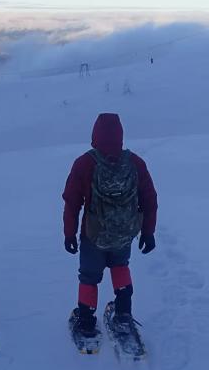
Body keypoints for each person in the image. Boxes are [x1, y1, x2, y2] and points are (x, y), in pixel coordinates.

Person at [62, 113, 158, 339]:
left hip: (93, 236)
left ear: (95, 134)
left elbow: (71, 202)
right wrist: (148, 232)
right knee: (120, 266)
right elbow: (149, 198)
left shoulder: (84, 163)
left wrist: (69, 234)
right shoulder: (135, 162)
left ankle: (85, 322)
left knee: (88, 277)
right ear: (120, 135)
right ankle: (123, 314)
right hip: (124, 233)